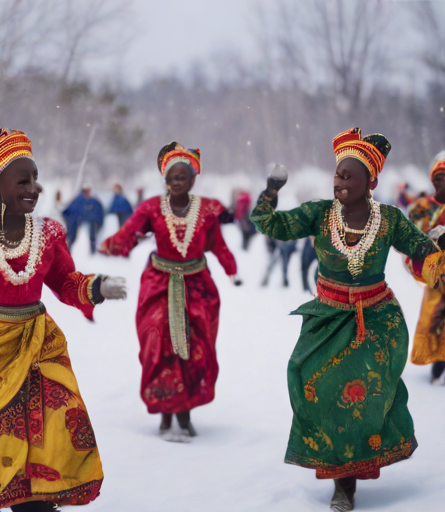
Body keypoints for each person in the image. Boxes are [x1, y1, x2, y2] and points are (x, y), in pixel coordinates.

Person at [250, 127, 445, 512]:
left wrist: (436, 252)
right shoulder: (319, 213)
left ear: (371, 181)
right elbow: (269, 224)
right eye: (337, 173)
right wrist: (271, 192)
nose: (339, 181)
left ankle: (346, 486)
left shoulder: (388, 218)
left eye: (348, 175)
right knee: (318, 390)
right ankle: (339, 471)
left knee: (364, 398)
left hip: (377, 323)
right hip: (328, 320)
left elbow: (421, 253)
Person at [0, 127, 126, 512]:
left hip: (38, 344)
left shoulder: (50, 232)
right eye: (24, 180)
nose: (35, 188)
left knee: (55, 421)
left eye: (36, 179)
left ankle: (38, 497)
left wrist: (95, 287)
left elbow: (65, 282)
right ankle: (6, 491)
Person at [99, 142, 238, 442]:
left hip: (197, 286)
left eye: (182, 177)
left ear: (192, 179)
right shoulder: (151, 207)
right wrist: (111, 245)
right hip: (158, 284)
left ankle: (185, 414)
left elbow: (218, 244)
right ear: (165, 180)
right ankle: (165, 410)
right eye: (171, 178)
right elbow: (130, 233)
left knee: (194, 349)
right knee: (157, 343)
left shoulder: (207, 209)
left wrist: (231, 269)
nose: (176, 182)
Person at [409, 150, 445, 384]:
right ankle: (436, 362)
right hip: (435, 274)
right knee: (434, 319)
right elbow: (411, 237)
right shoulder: (423, 206)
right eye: (439, 179)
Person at [62, 184, 104, 254]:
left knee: (92, 236)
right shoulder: (79, 199)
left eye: (89, 191)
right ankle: (67, 251)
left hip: (90, 221)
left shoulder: (93, 200)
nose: (88, 192)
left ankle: (93, 251)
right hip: (74, 220)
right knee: (72, 237)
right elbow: (71, 210)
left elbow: (99, 211)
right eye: (86, 191)